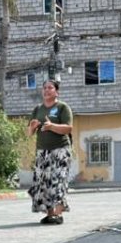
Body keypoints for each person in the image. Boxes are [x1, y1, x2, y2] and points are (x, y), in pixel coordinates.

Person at [26, 79, 74, 225]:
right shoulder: (37, 109)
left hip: (60, 150)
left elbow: (68, 128)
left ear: (56, 92)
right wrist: (33, 127)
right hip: (42, 151)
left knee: (58, 181)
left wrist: (51, 126)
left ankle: (58, 214)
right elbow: (29, 133)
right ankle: (50, 214)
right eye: (45, 88)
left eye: (50, 88)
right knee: (44, 183)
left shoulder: (62, 107)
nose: (47, 90)